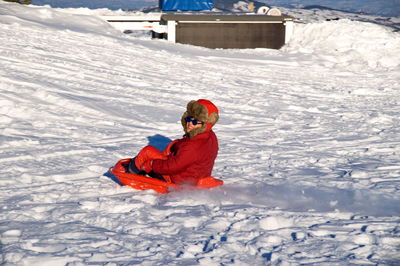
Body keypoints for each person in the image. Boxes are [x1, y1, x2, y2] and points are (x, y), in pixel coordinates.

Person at [127, 99, 219, 186]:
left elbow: (174, 166)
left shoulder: (192, 146)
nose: (190, 123)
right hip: (196, 176)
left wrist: (151, 164)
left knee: (147, 152)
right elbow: (192, 153)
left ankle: (129, 172)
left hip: (179, 179)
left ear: (205, 124)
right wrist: (176, 145)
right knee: (161, 154)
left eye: (195, 122)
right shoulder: (209, 136)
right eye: (189, 119)